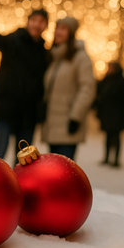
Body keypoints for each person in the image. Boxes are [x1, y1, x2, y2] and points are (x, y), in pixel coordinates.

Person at [0, 0, 49, 161]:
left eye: (41, 22)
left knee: (24, 158)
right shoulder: (14, 41)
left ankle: (19, 185)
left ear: (45, 26)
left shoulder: (44, 52)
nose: (37, 25)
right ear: (28, 21)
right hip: (6, 108)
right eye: (34, 20)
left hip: (28, 113)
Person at [41, 17, 96, 160]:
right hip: (52, 125)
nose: (58, 32)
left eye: (63, 29)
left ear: (71, 33)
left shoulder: (80, 58)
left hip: (68, 124)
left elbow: (87, 88)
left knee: (65, 174)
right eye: (57, 28)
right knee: (53, 172)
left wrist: (75, 117)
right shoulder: (54, 58)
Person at [96, 62, 124, 167]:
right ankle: (107, 157)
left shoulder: (122, 82)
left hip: (118, 114)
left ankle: (116, 159)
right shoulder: (105, 80)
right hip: (107, 113)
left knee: (116, 136)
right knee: (108, 136)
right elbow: (100, 96)